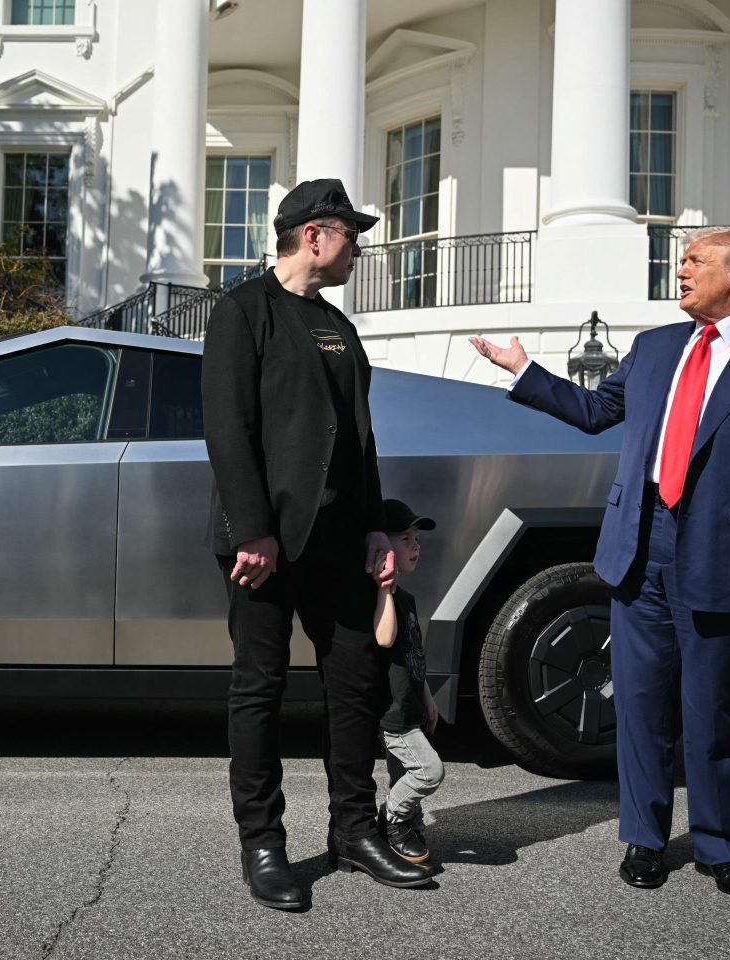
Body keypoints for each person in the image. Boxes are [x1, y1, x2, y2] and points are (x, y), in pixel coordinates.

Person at [469, 227, 730, 903]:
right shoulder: (653, 347)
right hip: (639, 547)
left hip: (723, 556)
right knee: (638, 708)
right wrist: (523, 370)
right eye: (682, 260)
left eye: (695, 261)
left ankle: (720, 847)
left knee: (710, 714)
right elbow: (594, 410)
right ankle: (643, 839)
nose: (682, 270)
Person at [203, 178, 437, 910]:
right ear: (314, 235)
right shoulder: (243, 312)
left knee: (354, 688)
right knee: (259, 691)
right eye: (351, 234)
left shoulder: (339, 327)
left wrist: (376, 528)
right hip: (265, 547)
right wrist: (255, 531)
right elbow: (228, 430)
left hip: (340, 545)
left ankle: (354, 830)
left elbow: (360, 442)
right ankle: (263, 845)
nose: (359, 248)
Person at [373, 499, 445, 868]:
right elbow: (384, 640)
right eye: (405, 538)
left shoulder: (410, 599)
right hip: (393, 713)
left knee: (401, 773)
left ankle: (408, 825)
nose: (415, 545)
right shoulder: (379, 597)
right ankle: (393, 819)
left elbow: (414, 654)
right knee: (429, 771)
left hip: (412, 705)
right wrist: (384, 589)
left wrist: (428, 697)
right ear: (382, 547)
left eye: (417, 538)